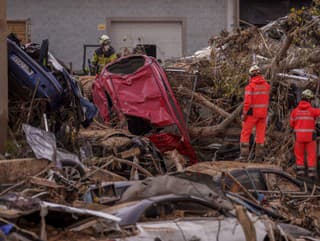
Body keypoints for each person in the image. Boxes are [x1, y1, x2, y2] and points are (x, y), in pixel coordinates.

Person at [239, 65, 270, 162]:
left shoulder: (250, 87)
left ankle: (244, 157)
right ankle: (258, 157)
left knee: (245, 134)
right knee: (260, 135)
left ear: (251, 75)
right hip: (263, 114)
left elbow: (247, 103)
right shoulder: (267, 86)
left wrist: (244, 114)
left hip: (252, 114)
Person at [290, 89, 320, 178]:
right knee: (311, 156)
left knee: (299, 156)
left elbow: (291, 124)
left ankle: (300, 174)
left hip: (298, 137)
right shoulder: (312, 111)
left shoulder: (295, 111)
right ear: (309, 100)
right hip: (310, 138)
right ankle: (312, 175)